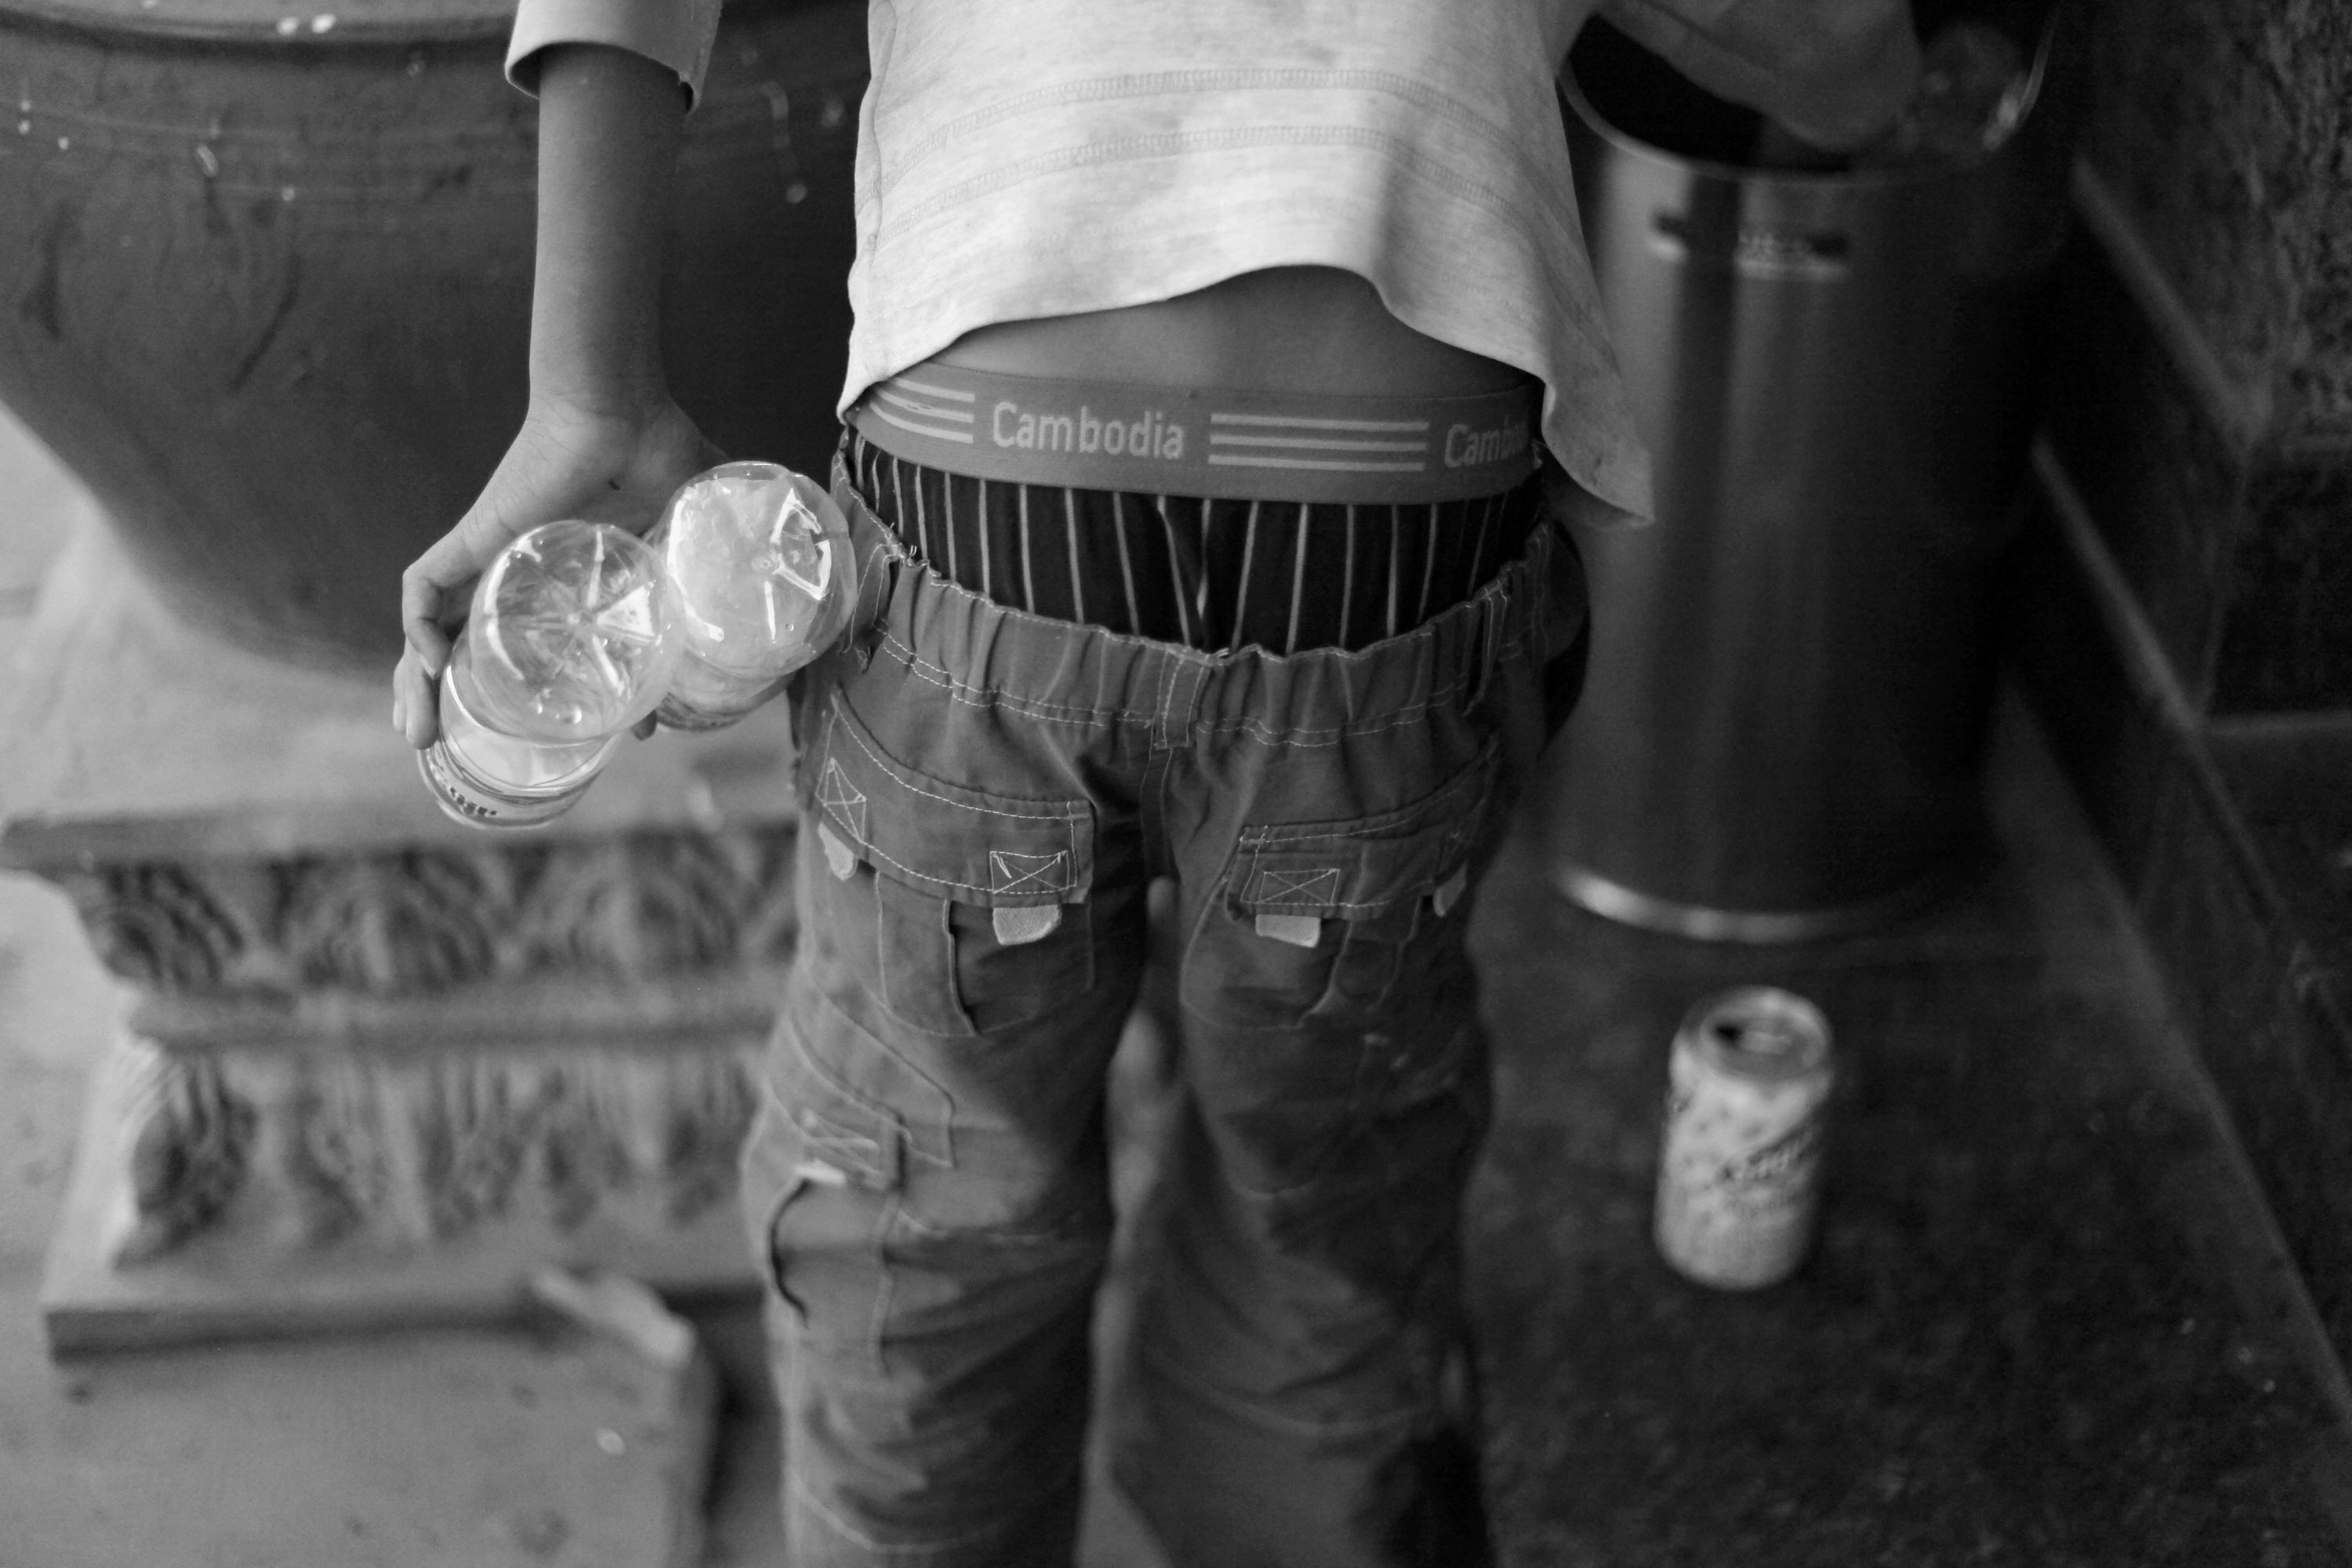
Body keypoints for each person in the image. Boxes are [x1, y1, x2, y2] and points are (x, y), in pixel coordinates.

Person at [391, 2, 1918, 1563]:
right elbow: (1848, 59)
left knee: (926, 1230)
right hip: (1393, 519)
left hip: (989, 480)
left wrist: (588, 399)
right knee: (1316, 1218)